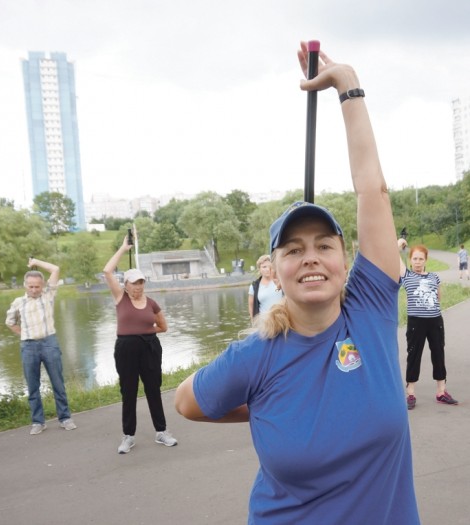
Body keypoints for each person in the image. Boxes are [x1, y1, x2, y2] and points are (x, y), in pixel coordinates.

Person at [175, 42, 420, 524]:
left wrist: (348, 86)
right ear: (275, 269)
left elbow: (373, 190)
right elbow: (186, 402)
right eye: (293, 249)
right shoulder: (256, 354)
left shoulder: (370, 308)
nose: (311, 258)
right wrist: (256, 411)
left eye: (324, 245)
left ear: (346, 262)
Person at [103, 236, 178, 454]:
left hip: (150, 347)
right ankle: (128, 436)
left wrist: (145, 332)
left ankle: (161, 432)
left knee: (153, 389)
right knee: (129, 391)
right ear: (125, 285)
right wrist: (123, 247)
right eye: (134, 283)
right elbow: (107, 271)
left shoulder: (152, 303)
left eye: (141, 282)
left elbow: (163, 326)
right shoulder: (120, 298)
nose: (138, 286)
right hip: (126, 349)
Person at [5, 258, 77, 435]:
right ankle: (38, 421)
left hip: (49, 343)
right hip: (28, 346)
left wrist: (36, 261)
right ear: (25, 285)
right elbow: (10, 322)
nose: (34, 289)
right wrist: (24, 334)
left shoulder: (48, 296)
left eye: (37, 286)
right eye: (30, 286)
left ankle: (65, 418)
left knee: (58, 383)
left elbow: (56, 268)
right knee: (33, 385)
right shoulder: (18, 302)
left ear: (42, 285)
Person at [398, 239, 458, 410]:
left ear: (426, 260)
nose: (417, 262)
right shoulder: (407, 276)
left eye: (420, 259)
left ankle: (441, 391)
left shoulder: (434, 277)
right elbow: (393, 256)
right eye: (415, 259)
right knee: (414, 355)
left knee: (438, 354)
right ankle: (410, 393)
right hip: (416, 322)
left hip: (435, 321)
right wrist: (399, 243)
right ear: (410, 260)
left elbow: (438, 297)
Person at [248, 254, 283, 321]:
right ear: (259, 269)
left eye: (270, 266)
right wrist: (254, 322)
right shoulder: (254, 286)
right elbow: (251, 306)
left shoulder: (280, 281)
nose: (267, 269)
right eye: (264, 267)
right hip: (264, 324)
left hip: (282, 321)